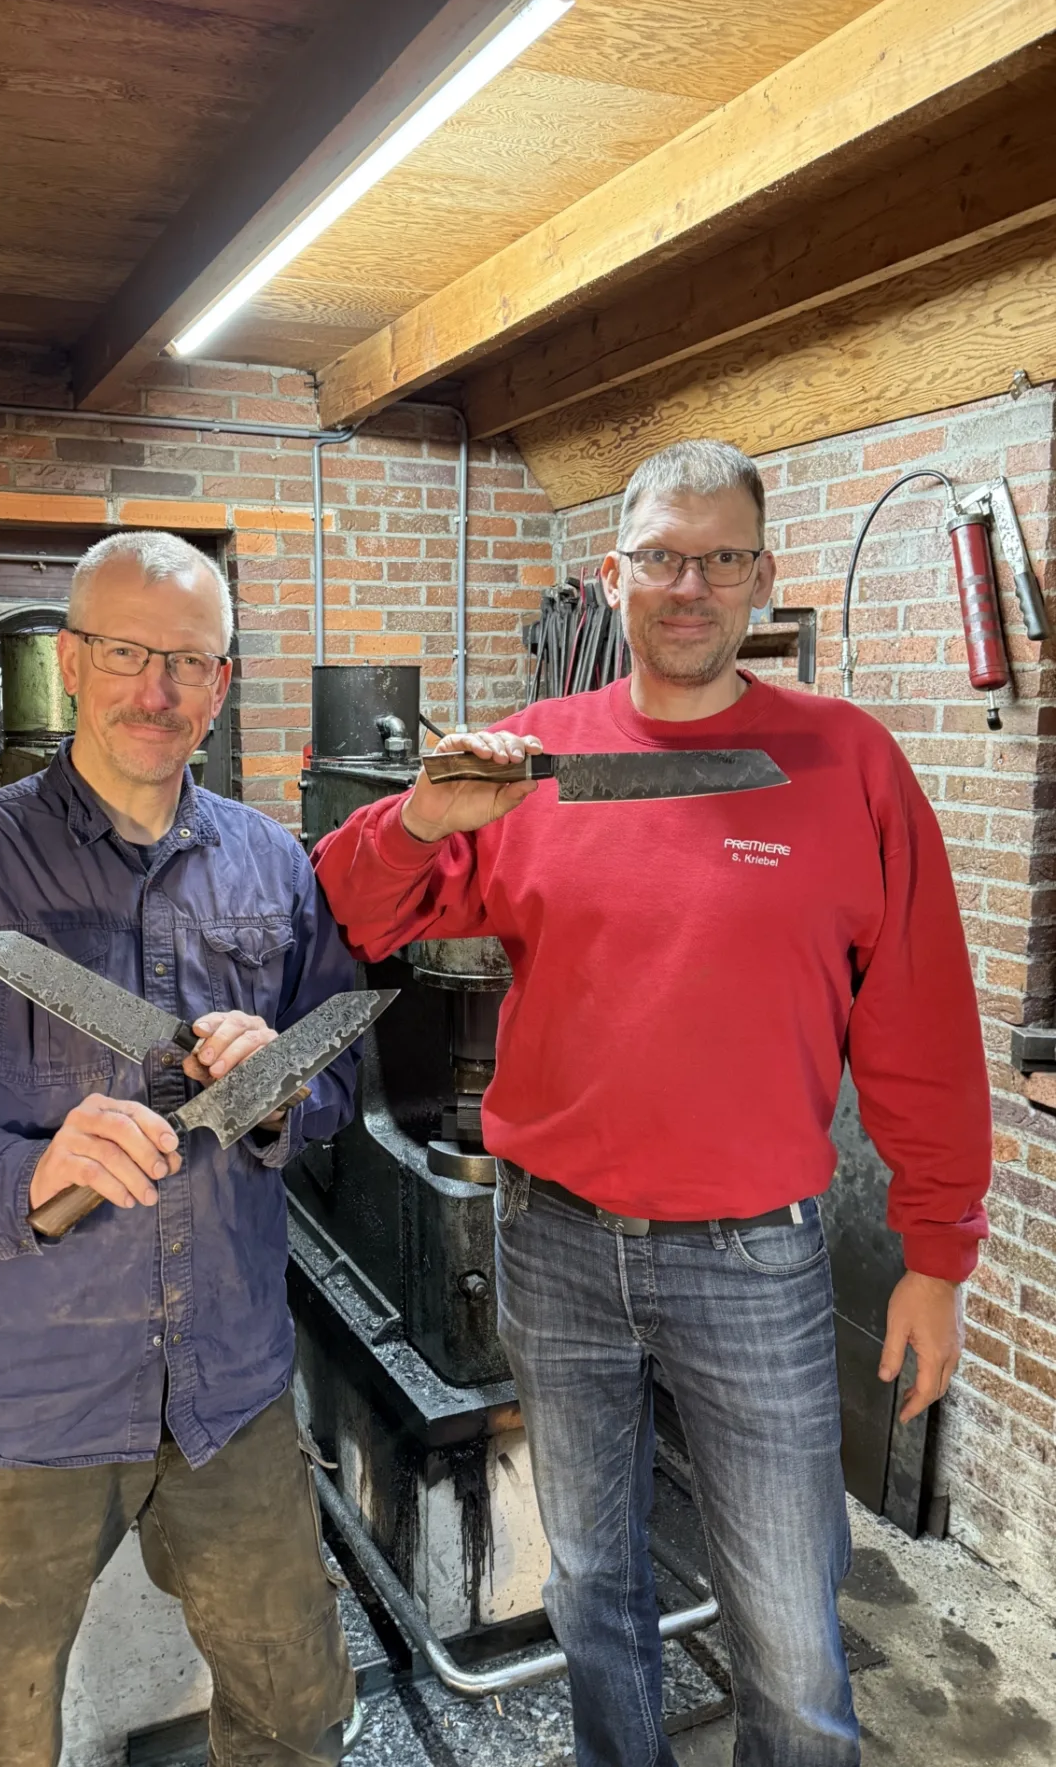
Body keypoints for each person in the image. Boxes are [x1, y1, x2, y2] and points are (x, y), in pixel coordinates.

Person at [313, 439, 992, 1767]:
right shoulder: (538, 758)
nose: (691, 585)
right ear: (614, 574)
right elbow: (354, 908)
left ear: (761, 575)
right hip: (552, 1241)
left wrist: (935, 1254)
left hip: (754, 1260)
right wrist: (422, 817)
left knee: (789, 1640)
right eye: (663, 558)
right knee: (591, 1589)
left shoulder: (844, 762)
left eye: (721, 558)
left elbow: (922, 1022)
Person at [0, 532, 358, 1767]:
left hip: (227, 1392)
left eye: (187, 661)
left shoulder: (274, 865)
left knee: (296, 1716)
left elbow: (334, 1085)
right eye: (124, 653)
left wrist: (276, 1092)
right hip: (13, 1407)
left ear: (221, 683)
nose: (155, 690)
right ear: (68, 662)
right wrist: (27, 1177)